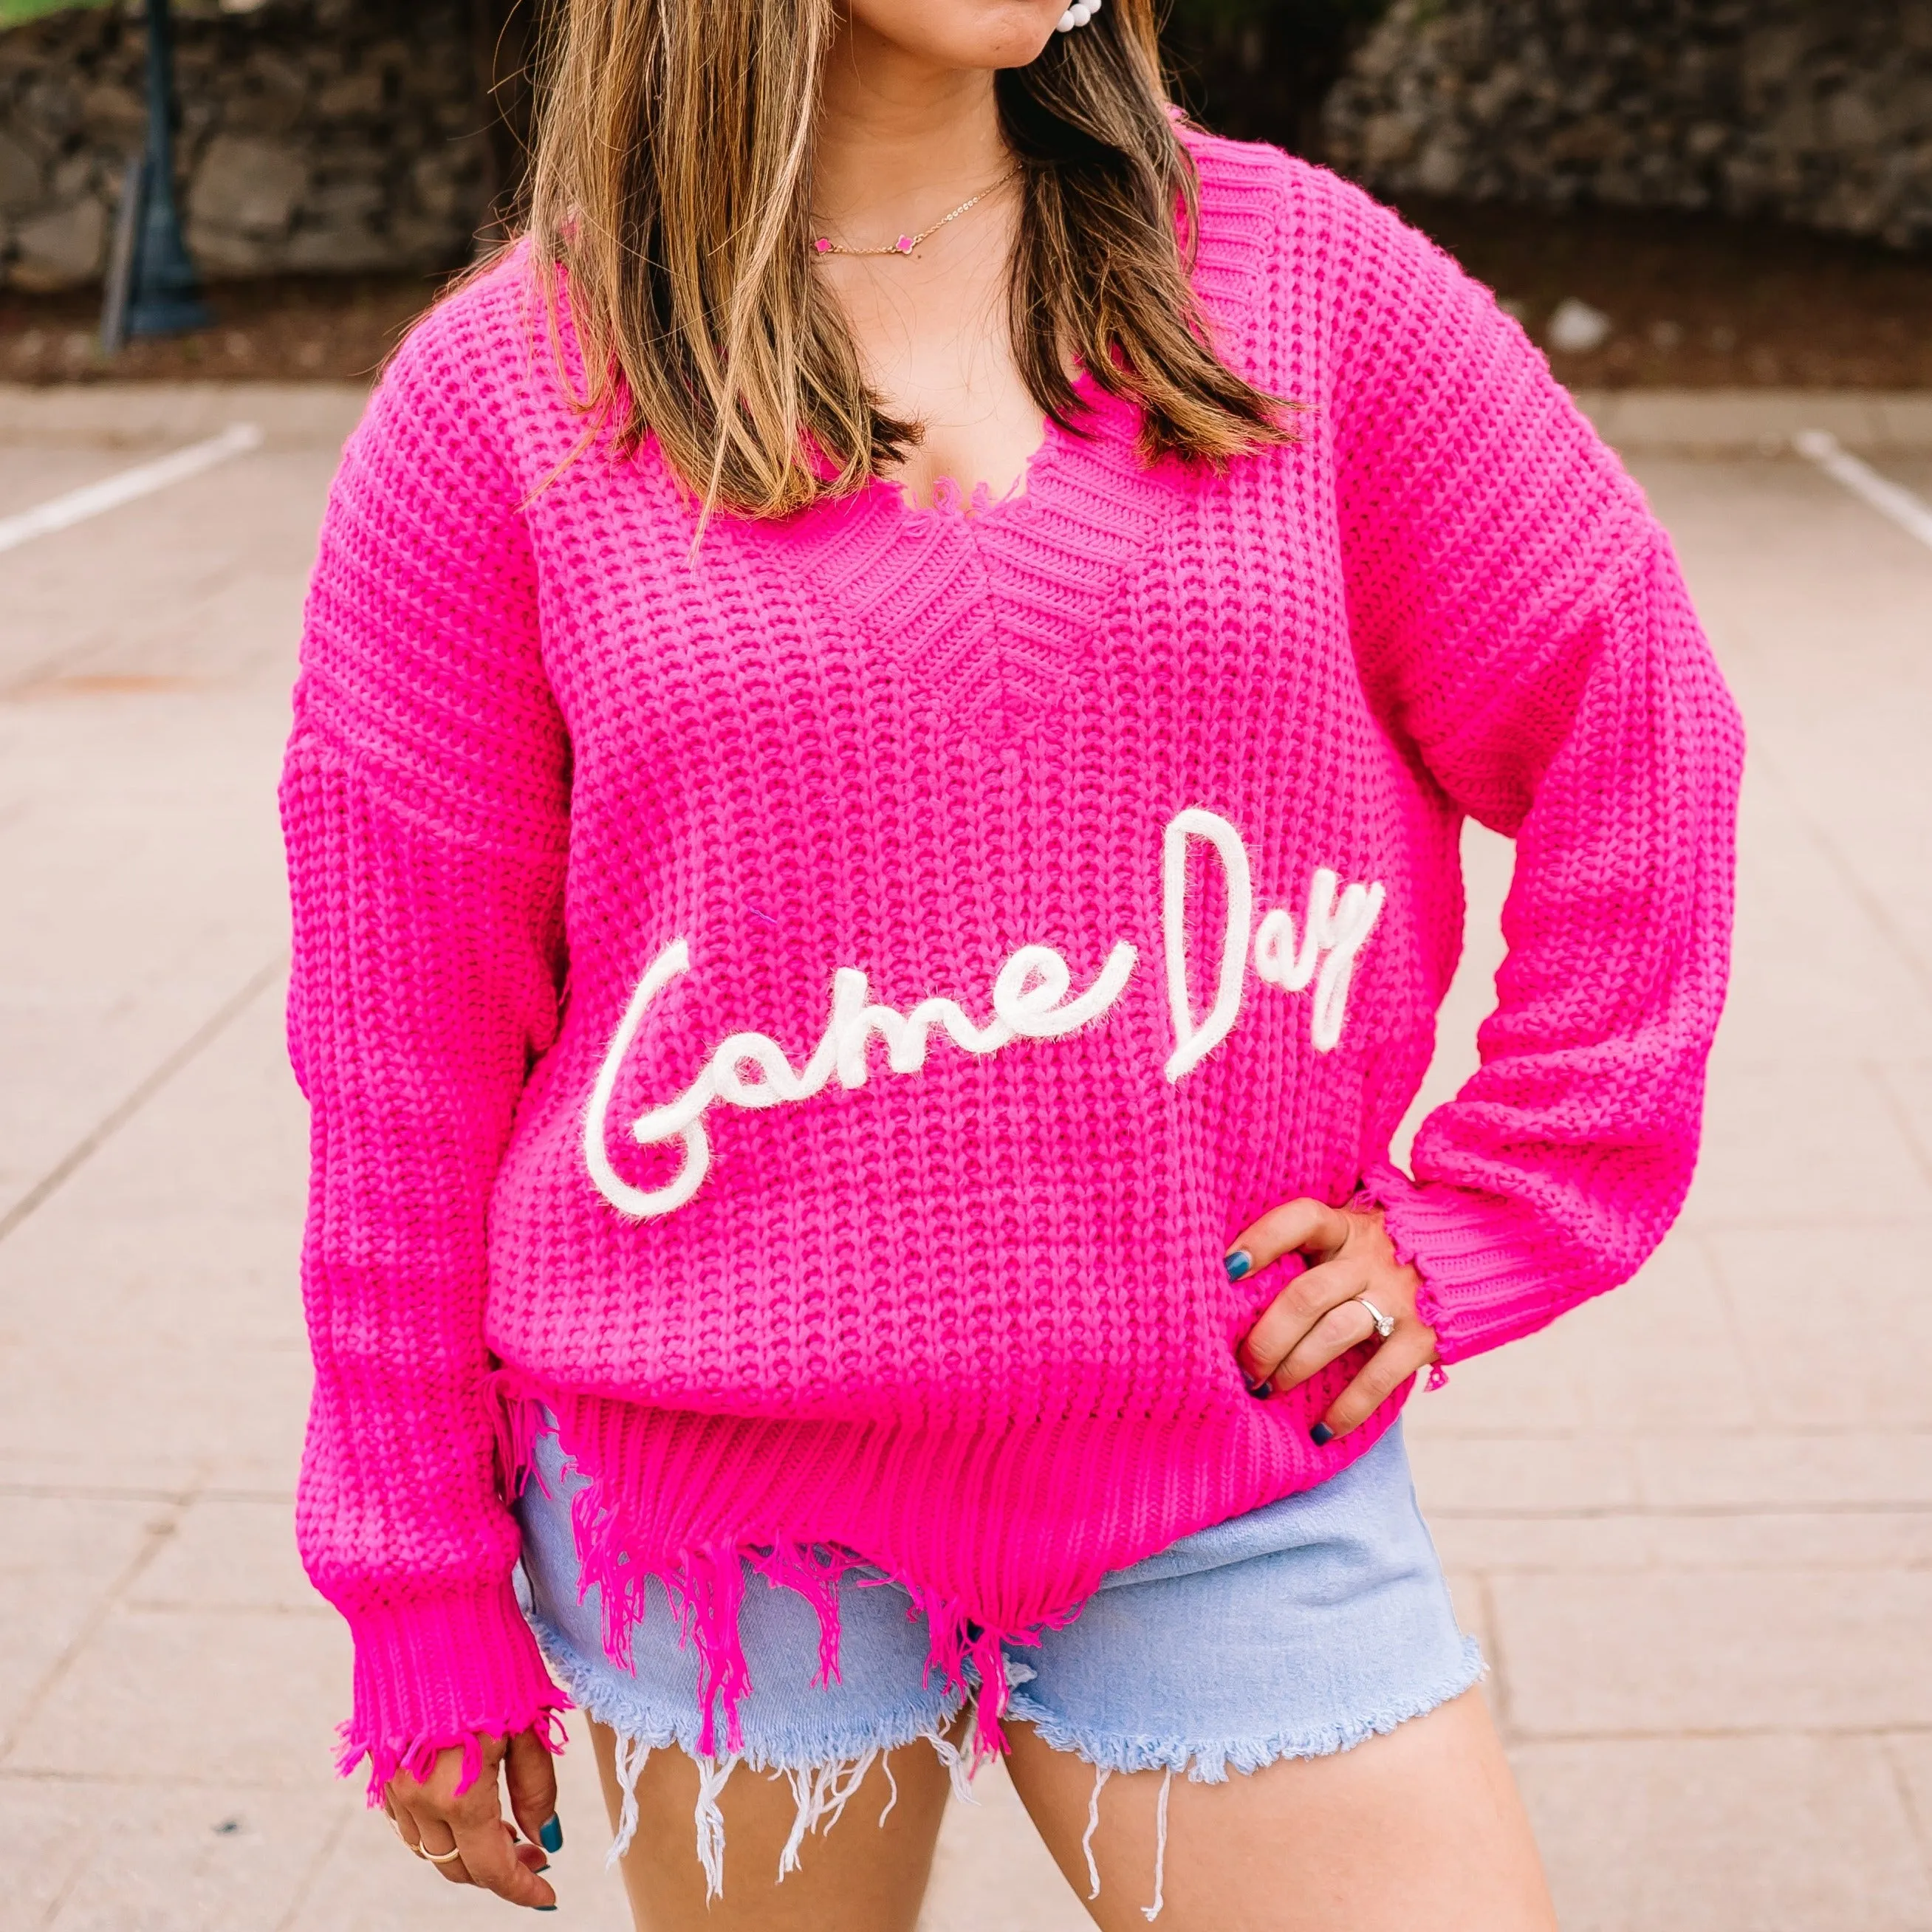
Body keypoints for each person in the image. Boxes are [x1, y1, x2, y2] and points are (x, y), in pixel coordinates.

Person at [278, 0, 1743, 1926]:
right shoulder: (501, 401)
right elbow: (406, 1055)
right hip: (717, 1523)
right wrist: (417, 1584)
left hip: (1224, 1465)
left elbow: (1632, 708)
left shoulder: (1306, 288)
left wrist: (1509, 1201)